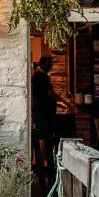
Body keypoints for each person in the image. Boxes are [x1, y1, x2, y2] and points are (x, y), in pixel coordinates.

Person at [31, 55, 62, 190]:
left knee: (39, 147)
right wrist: (64, 103)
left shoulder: (35, 76)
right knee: (48, 145)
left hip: (38, 116)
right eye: (50, 64)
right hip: (44, 117)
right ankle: (49, 174)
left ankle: (43, 176)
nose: (51, 67)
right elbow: (50, 94)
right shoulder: (41, 77)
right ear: (44, 63)